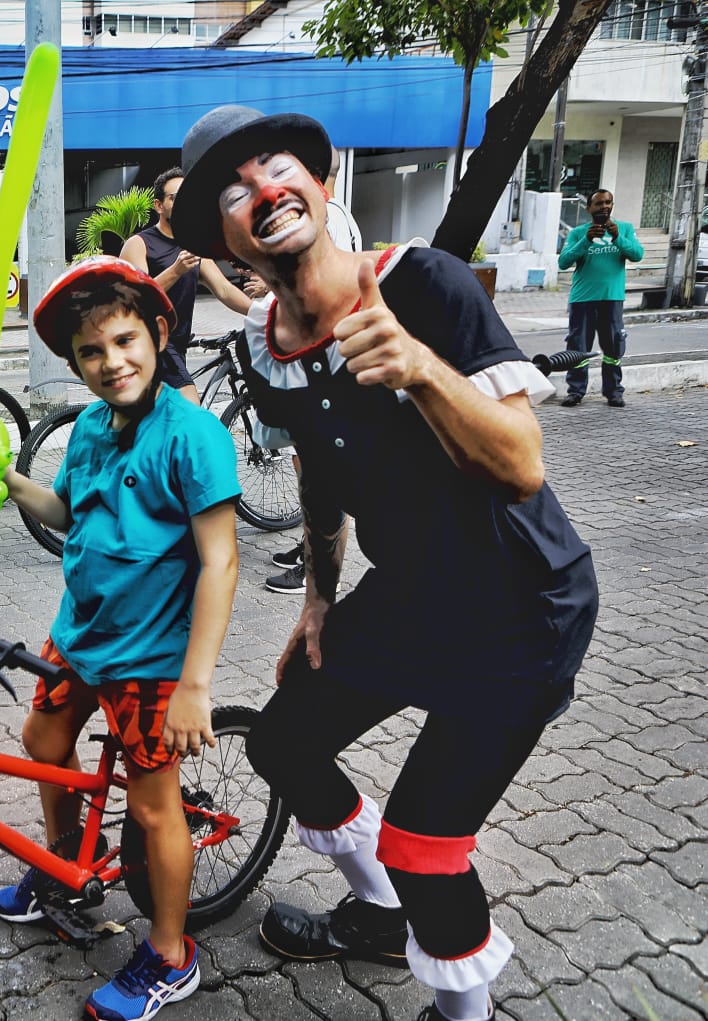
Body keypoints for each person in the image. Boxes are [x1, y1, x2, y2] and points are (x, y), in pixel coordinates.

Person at [171, 105, 598, 1021]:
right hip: (409, 593)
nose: (263, 193)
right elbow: (317, 470)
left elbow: (522, 467)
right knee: (284, 740)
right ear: (225, 239)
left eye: (274, 168)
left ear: (319, 184)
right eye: (233, 193)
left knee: (423, 842)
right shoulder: (264, 348)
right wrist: (319, 599)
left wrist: (420, 370)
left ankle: (462, 1012)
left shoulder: (425, 286)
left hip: (522, 605)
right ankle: (376, 913)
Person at [0, 257, 240, 1021]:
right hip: (82, 634)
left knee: (156, 805)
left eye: (125, 340)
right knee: (43, 738)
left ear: (160, 333)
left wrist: (195, 684)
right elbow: (64, 511)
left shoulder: (191, 433)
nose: (111, 362)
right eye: (91, 353)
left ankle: (171, 953)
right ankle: (64, 865)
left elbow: (221, 562)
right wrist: (2, 478)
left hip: (152, 657)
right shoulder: (92, 427)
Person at [266, 143, 363, 595]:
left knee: (322, 467)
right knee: (312, 464)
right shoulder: (331, 213)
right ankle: (308, 554)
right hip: (323, 356)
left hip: (334, 356)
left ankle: (312, 567)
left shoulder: (327, 218)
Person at [119, 167, 252, 403]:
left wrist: (266, 312)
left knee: (164, 420)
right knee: (192, 408)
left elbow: (224, 290)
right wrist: (176, 270)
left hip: (177, 346)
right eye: (174, 198)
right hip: (149, 341)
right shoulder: (139, 244)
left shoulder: (194, 246)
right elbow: (138, 295)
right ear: (159, 205)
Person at [556, 188, 642, 408]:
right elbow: (563, 262)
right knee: (578, 347)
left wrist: (617, 237)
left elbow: (637, 255)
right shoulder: (578, 233)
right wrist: (586, 240)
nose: (604, 206)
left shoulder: (624, 229)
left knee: (613, 347)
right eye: (599, 203)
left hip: (612, 298)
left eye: (608, 203)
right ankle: (575, 391)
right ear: (589, 208)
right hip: (582, 299)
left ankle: (613, 392)